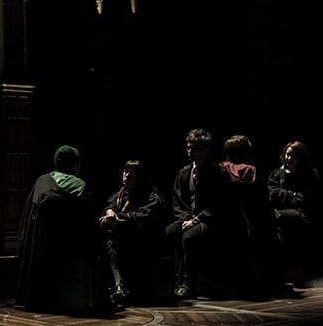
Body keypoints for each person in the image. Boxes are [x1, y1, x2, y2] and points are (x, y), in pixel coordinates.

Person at [15, 145, 100, 313]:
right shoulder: (80, 186)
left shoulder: (41, 181)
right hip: (68, 251)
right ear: (75, 165)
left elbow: (27, 221)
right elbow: (88, 226)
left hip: (39, 252)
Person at [164, 128, 230, 299]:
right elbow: (178, 201)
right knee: (168, 233)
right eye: (188, 147)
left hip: (211, 220)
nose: (189, 151)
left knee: (189, 237)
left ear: (205, 150)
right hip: (188, 218)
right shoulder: (185, 173)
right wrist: (186, 218)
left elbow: (219, 203)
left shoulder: (217, 172)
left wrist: (196, 219)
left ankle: (188, 283)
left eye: (193, 148)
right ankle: (173, 282)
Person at [98, 159, 166, 307]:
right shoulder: (122, 193)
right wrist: (110, 213)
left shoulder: (151, 196)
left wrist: (119, 220)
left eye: (132, 173)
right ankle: (114, 286)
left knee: (116, 242)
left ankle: (119, 286)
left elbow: (143, 218)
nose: (126, 175)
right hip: (122, 238)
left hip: (144, 241)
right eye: (125, 171)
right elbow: (111, 204)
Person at [220, 134, 279, 295]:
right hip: (245, 215)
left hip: (225, 215)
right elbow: (257, 198)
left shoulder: (221, 168)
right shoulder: (249, 170)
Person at [268, 140, 321, 285]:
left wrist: (285, 195)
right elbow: (272, 194)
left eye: (292, 155)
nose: (288, 158)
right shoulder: (276, 173)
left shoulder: (310, 174)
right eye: (287, 154)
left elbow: (305, 198)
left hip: (303, 215)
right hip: (280, 214)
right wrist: (292, 195)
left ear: (301, 157)